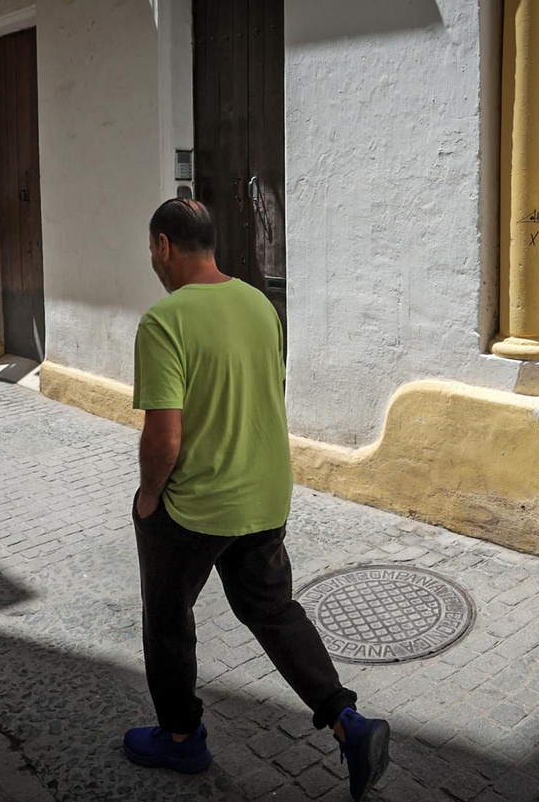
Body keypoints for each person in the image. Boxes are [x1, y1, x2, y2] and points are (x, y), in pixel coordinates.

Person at [125, 198, 390, 799]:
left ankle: (181, 739)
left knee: (167, 621)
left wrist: (147, 499)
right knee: (274, 612)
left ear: (164, 245)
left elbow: (164, 437)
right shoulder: (261, 305)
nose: (152, 261)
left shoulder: (164, 321)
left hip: (196, 504)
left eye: (151, 250)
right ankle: (349, 722)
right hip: (264, 495)